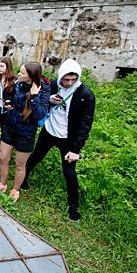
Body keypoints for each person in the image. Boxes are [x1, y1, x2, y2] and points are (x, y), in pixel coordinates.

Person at [22, 59, 95, 221]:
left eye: (72, 79)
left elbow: (85, 124)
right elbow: (39, 102)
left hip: (68, 139)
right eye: (66, 79)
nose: (68, 83)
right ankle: (23, 181)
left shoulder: (85, 95)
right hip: (49, 131)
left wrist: (75, 149)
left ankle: (73, 206)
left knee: (69, 172)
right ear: (60, 76)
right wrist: (48, 100)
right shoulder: (53, 85)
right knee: (34, 158)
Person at [0, 61, 49, 202]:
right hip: (10, 127)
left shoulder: (43, 89)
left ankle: (15, 189)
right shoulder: (18, 83)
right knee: (4, 158)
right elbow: (14, 100)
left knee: (19, 165)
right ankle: (3, 184)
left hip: (26, 133)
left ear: (31, 76)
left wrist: (34, 96)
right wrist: (9, 105)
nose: (18, 74)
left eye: (22, 72)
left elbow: (39, 114)